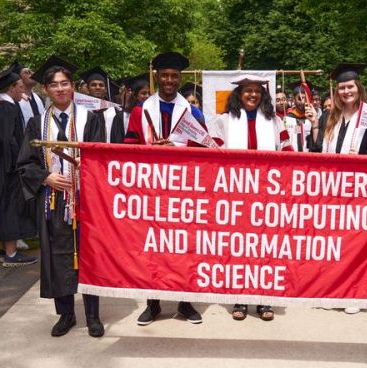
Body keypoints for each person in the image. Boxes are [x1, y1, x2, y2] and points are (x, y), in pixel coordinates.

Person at [17, 55, 105, 337]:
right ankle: (66, 314)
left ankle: (93, 315)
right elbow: (25, 163)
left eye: (65, 83)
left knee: (89, 257)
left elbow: (102, 159)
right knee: (57, 257)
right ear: (45, 90)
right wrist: (46, 177)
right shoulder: (37, 124)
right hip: (53, 203)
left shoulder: (90, 119)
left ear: (72, 86)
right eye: (54, 85)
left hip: (85, 201)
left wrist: (85, 170)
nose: (60, 89)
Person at [124, 51, 204, 326]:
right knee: (152, 247)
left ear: (180, 79)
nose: (169, 80)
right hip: (152, 189)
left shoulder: (192, 111)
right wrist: (148, 151)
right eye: (165, 75)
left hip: (184, 190)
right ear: (156, 76)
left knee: (184, 247)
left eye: (174, 76)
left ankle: (184, 301)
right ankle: (153, 303)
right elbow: (129, 146)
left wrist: (178, 147)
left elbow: (206, 149)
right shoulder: (141, 110)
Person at [209, 74, 292, 321]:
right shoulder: (223, 121)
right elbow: (213, 154)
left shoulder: (276, 122)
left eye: (257, 90)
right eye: (248, 91)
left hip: (268, 192)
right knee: (240, 246)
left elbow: (288, 153)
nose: (253, 95)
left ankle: (265, 299)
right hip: (236, 192)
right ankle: (241, 297)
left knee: (266, 246)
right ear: (239, 94)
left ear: (263, 94)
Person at [307, 63, 367, 315]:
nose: (345, 91)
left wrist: (362, 157)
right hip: (333, 190)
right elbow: (320, 149)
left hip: (361, 191)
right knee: (334, 243)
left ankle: (356, 292)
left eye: (350, 86)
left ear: (358, 87)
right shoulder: (330, 117)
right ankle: (333, 290)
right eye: (341, 87)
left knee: (356, 244)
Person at [0, 67, 38, 267]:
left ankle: (2, 250)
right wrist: (19, 163)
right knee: (10, 207)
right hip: (8, 167)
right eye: (20, 87)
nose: (23, 92)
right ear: (12, 87)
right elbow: (10, 142)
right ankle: (11, 254)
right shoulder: (9, 108)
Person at [110, 73, 149, 144]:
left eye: (148, 93)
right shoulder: (121, 117)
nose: (147, 96)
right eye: (143, 93)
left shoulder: (152, 113)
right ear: (134, 95)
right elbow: (116, 141)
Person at [286, 82, 314, 152]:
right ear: (293, 99)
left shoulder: (312, 119)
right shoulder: (287, 118)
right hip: (291, 156)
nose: (302, 102)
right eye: (299, 98)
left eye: (305, 99)